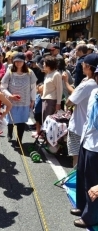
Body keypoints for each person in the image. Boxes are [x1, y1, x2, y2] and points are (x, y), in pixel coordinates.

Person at [72, 71, 98, 228]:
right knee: (81, 175)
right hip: (87, 140)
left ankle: (91, 216)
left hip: (96, 147)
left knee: (93, 182)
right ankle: (81, 206)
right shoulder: (95, 91)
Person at [64, 53, 98, 167]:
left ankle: (77, 183)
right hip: (93, 130)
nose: (81, 65)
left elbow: (69, 102)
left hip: (79, 127)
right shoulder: (91, 83)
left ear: (88, 66)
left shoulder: (87, 85)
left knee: (77, 159)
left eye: (82, 63)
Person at [0, 52, 37, 147]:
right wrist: (10, 96)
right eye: (16, 61)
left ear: (24, 62)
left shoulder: (30, 73)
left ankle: (19, 140)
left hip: (25, 102)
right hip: (12, 102)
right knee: (11, 121)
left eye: (20, 61)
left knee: (21, 122)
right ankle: (9, 132)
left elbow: (33, 88)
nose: (18, 63)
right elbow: (3, 87)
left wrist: (33, 100)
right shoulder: (10, 72)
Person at [41, 56, 63, 123]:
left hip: (51, 101)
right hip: (45, 99)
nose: (43, 65)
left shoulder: (56, 74)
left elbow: (59, 89)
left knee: (49, 122)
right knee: (45, 121)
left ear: (49, 64)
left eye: (44, 63)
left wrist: (58, 104)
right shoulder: (48, 74)